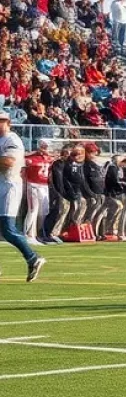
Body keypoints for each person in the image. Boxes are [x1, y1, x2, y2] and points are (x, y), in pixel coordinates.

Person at [0, 112, 45, 281]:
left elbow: (9, 162)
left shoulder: (12, 139)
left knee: (8, 229)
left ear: (8, 122)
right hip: (1, 184)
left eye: (1, 121)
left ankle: (32, 257)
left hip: (10, 185)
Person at [23, 142, 52, 245]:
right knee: (33, 210)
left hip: (44, 185)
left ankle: (39, 235)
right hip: (33, 184)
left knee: (43, 211)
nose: (44, 148)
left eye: (46, 146)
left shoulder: (49, 157)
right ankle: (28, 235)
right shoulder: (30, 156)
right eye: (43, 146)